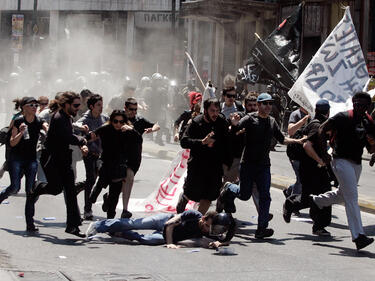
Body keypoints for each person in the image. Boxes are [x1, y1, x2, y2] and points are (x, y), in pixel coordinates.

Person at [216, 93, 305, 239]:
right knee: (244, 195)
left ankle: (261, 228)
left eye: (270, 103)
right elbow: (234, 130)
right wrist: (233, 124)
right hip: (247, 165)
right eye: (265, 103)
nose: (268, 106)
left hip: (264, 166)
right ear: (258, 105)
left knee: (265, 196)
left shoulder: (271, 121)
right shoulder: (250, 119)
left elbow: (282, 139)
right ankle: (228, 188)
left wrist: (297, 141)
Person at [310, 92, 375, 250]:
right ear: (353, 103)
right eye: (357, 104)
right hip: (340, 161)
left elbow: (371, 143)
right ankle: (358, 236)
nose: (360, 108)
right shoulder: (342, 117)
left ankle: (316, 201)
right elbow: (321, 130)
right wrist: (324, 154)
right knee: (352, 198)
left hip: (356, 163)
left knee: (342, 194)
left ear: (368, 107)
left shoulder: (368, 121)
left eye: (364, 106)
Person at [31, 91, 89, 237]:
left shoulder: (66, 117)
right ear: (66, 104)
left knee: (70, 192)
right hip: (51, 159)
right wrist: (82, 140)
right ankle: (37, 187)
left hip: (64, 158)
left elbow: (69, 137)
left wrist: (81, 140)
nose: (78, 108)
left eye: (79, 105)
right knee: (55, 188)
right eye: (75, 105)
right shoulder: (59, 117)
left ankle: (73, 226)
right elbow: (67, 137)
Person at [283, 99, 333, 236]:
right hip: (311, 168)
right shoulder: (317, 125)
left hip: (313, 168)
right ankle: (292, 203)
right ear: (328, 111)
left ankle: (319, 225)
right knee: (319, 196)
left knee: (322, 195)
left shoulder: (318, 123)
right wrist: (319, 160)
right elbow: (307, 145)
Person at [176, 98, 232, 215]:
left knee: (209, 196)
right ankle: (184, 199)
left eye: (217, 110)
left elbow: (228, 143)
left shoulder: (222, 122)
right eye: (212, 111)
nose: (215, 114)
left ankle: (198, 221)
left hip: (215, 166)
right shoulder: (196, 122)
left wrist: (227, 163)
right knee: (192, 193)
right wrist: (201, 142)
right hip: (197, 165)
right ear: (205, 110)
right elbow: (184, 142)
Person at [0, 97, 48, 232]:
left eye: (36, 105)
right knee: (15, 187)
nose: (35, 107)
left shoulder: (39, 121)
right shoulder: (19, 121)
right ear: (24, 107)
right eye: (31, 105)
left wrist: (47, 130)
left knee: (30, 191)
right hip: (16, 159)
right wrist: (21, 132)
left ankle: (30, 223)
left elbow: (46, 126)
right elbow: (12, 143)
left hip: (31, 159)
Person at [85, 210, 235, 249]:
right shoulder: (193, 215)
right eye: (207, 225)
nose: (207, 229)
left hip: (166, 236)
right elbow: (170, 224)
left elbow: (224, 240)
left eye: (210, 227)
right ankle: (99, 226)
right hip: (164, 222)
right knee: (136, 223)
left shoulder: (210, 231)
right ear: (203, 218)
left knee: (144, 240)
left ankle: (117, 232)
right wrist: (170, 243)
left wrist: (219, 244)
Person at [89, 110, 142, 219]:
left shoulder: (127, 131)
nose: (118, 124)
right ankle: (94, 193)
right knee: (98, 188)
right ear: (111, 121)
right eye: (115, 121)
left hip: (119, 166)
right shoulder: (105, 129)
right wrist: (83, 143)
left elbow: (138, 140)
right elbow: (92, 135)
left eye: (121, 122)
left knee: (114, 197)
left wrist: (131, 130)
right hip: (106, 164)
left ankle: (110, 222)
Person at [74, 94, 109, 220]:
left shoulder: (105, 118)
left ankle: (79, 186)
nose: (101, 107)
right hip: (89, 153)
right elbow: (75, 128)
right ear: (91, 106)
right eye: (98, 105)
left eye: (102, 104)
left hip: (101, 155)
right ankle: (87, 209)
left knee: (98, 179)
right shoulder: (86, 119)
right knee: (91, 178)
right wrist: (81, 131)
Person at [283, 106, 310, 198]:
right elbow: (290, 131)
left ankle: (289, 191)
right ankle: (292, 203)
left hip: (307, 152)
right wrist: (303, 121)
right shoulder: (295, 114)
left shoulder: (313, 114)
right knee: (301, 179)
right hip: (295, 152)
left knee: (304, 179)